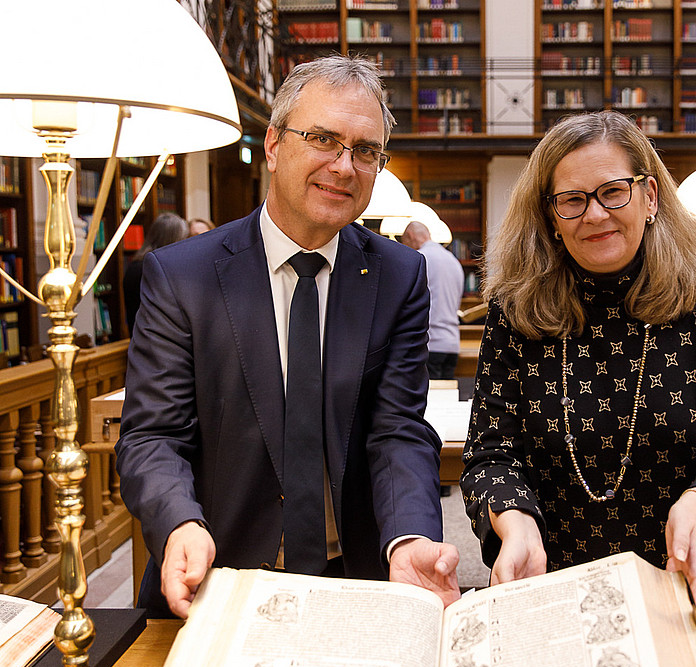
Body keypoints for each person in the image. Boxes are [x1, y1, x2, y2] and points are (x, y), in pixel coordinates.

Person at [116, 55, 459, 619]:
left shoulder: (399, 276)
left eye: (366, 150)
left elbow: (397, 430)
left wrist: (409, 537)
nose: (345, 166)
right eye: (324, 138)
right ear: (273, 144)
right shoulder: (182, 277)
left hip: (357, 583)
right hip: (218, 581)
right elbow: (152, 437)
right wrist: (179, 520)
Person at [460, 110, 696, 615]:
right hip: (559, 580)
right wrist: (514, 520)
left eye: (613, 191)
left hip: (692, 577)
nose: (594, 214)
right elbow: (489, 453)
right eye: (572, 200)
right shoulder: (515, 308)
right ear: (549, 216)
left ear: (649, 196)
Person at [399, 220, 463, 379]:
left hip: (430, 341)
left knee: (428, 400)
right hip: (452, 343)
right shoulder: (453, 261)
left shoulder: (420, 259)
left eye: (404, 242)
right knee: (447, 400)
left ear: (411, 236)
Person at [123, 212, 189, 334]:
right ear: (173, 240)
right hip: (154, 342)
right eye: (183, 239)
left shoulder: (136, 265)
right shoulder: (154, 269)